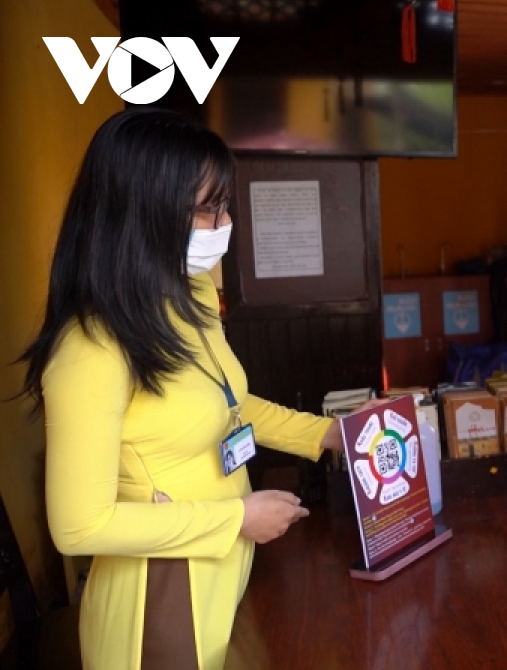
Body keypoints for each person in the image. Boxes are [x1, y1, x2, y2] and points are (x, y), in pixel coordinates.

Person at [18, 108, 380, 670]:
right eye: (208, 208)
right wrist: (236, 519)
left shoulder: (191, 296)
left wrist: (333, 435)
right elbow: (78, 526)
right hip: (158, 601)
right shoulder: (91, 348)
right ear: (142, 212)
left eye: (224, 205)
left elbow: (228, 405)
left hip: (222, 572)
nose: (224, 223)